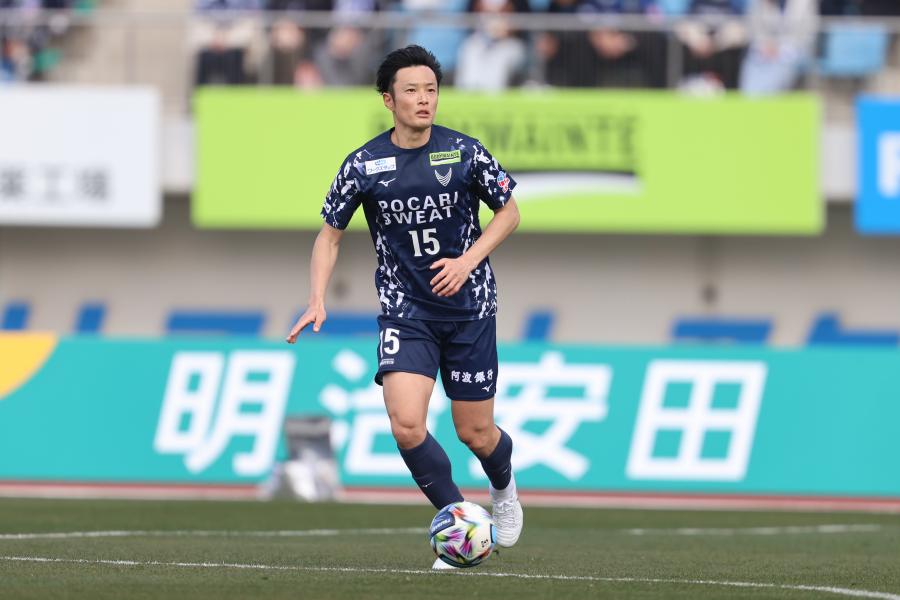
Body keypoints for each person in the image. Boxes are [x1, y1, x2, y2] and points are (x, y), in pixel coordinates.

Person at [286, 45, 523, 569]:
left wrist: (467, 260)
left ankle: (504, 491)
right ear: (388, 100)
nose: (424, 99)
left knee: (475, 432)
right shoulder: (364, 164)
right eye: (411, 90)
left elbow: (509, 212)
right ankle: (462, 522)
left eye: (431, 90)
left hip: (470, 309)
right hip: (406, 311)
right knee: (407, 425)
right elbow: (329, 235)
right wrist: (317, 298)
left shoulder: (464, 152)